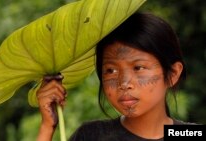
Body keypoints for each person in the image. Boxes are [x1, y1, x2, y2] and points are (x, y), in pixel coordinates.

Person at [36, 12, 193, 141]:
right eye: (111, 71)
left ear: (173, 74)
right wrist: (47, 128)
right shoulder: (91, 136)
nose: (124, 83)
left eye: (138, 68)